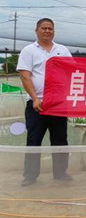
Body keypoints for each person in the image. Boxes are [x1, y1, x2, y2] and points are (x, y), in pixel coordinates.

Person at [17, 18, 72, 186]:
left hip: (58, 104)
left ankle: (61, 173)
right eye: (43, 28)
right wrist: (35, 98)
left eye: (50, 28)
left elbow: (72, 71)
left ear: (53, 31)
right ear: (36, 31)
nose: (47, 31)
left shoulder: (62, 50)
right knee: (34, 140)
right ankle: (30, 175)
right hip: (37, 105)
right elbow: (25, 76)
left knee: (60, 139)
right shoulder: (28, 50)